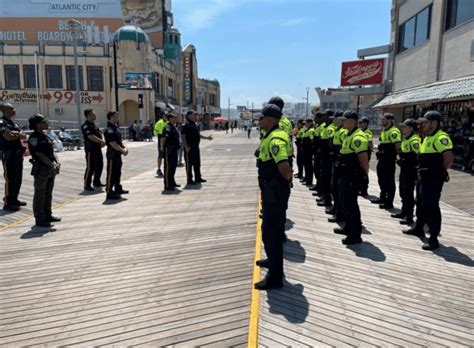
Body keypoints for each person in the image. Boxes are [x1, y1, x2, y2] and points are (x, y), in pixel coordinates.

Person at [403, 111, 454, 250]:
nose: (422, 124)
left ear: (434, 123)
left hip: (433, 179)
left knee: (432, 206)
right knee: (420, 203)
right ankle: (419, 228)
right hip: (423, 178)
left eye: (425, 122)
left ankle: (433, 239)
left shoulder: (441, 137)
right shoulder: (427, 137)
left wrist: (440, 172)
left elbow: (449, 157)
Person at [254, 104, 292, 290]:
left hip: (275, 193)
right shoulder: (270, 135)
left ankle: (275, 277)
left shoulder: (276, 138)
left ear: (271, 119)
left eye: (262, 118)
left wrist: (283, 184)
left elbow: (284, 166)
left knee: (272, 232)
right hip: (271, 191)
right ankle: (272, 261)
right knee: (270, 231)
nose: (259, 120)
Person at [334, 110, 369, 245]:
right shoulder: (349, 135)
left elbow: (363, 160)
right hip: (345, 175)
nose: (342, 122)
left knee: (351, 205)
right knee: (344, 202)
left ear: (352, 122)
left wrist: (364, 175)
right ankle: (348, 228)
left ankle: (355, 234)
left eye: (345, 120)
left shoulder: (358, 138)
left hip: (352, 177)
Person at [27, 114, 61, 227]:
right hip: (41, 168)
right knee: (40, 193)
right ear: (38, 124)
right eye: (44, 121)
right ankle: (39, 218)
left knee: (48, 193)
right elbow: (39, 154)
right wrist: (51, 165)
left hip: (50, 168)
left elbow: (52, 152)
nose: (47, 123)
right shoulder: (34, 137)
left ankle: (48, 214)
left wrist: (56, 162)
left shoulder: (45, 136)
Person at [391, 118, 420, 225]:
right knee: (402, 191)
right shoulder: (406, 139)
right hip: (404, 170)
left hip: (410, 171)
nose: (402, 128)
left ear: (411, 128)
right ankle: (404, 212)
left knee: (408, 193)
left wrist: (405, 160)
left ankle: (409, 216)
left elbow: (416, 156)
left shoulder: (414, 140)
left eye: (405, 126)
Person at [0, 103, 27, 211]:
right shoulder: (1, 123)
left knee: (17, 178)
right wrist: (17, 134)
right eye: (12, 109)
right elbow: (8, 137)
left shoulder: (13, 123)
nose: (14, 110)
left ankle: (14, 198)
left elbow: (23, 134)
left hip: (17, 153)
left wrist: (15, 133)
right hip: (8, 154)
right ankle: (8, 202)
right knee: (10, 178)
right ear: (5, 110)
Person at [371, 113, 401, 209]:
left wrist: (394, 156)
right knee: (381, 179)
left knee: (389, 181)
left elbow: (397, 147)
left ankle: (389, 201)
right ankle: (383, 197)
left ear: (390, 120)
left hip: (389, 160)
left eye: (384, 119)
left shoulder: (394, 131)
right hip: (382, 159)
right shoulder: (384, 131)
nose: (382, 121)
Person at [182, 110, 213, 185]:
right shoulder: (186, 124)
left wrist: (207, 138)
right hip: (189, 147)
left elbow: (198, 135)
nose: (195, 116)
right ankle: (189, 179)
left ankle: (198, 178)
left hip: (196, 147)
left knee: (197, 163)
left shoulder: (195, 124)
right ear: (189, 116)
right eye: (193, 115)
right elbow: (183, 136)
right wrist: (186, 146)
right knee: (189, 164)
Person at [327, 111, 347, 223]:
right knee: (334, 187)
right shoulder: (337, 130)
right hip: (335, 162)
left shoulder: (343, 132)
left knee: (337, 188)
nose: (332, 121)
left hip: (340, 164)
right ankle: (336, 209)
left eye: (334, 119)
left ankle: (340, 213)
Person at [104, 111, 129, 200]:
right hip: (112, 155)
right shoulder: (109, 129)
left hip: (117, 154)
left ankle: (118, 188)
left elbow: (120, 141)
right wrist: (123, 150)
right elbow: (113, 143)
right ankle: (109, 192)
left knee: (117, 172)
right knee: (111, 173)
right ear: (111, 117)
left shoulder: (115, 128)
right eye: (116, 116)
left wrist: (125, 148)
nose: (118, 118)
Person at [81, 109, 105, 191]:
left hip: (97, 148)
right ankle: (87, 184)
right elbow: (90, 136)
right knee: (90, 167)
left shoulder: (94, 125)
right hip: (90, 149)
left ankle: (96, 181)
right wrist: (101, 141)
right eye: (92, 114)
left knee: (100, 165)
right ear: (88, 116)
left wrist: (102, 140)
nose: (94, 116)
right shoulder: (85, 125)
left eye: (94, 114)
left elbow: (100, 133)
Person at [318, 109, 336, 207]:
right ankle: (325, 197)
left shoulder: (331, 128)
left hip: (328, 158)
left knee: (327, 179)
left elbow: (330, 143)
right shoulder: (325, 127)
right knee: (323, 177)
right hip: (323, 157)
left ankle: (327, 199)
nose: (323, 117)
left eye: (325, 116)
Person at [161, 114, 181, 192]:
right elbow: (163, 138)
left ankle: (172, 182)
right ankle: (167, 185)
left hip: (174, 150)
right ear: (170, 119)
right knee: (168, 167)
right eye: (174, 117)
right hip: (169, 150)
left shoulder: (173, 126)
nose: (176, 118)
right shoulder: (168, 127)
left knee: (173, 166)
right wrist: (162, 147)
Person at [358, 117, 373, 196]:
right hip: (361, 153)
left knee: (364, 171)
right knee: (360, 171)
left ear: (366, 124)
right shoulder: (361, 131)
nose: (360, 124)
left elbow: (369, 143)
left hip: (366, 153)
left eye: (361, 122)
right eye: (359, 122)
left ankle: (364, 190)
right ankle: (360, 188)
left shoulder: (367, 132)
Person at [302, 118, 315, 186]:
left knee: (309, 167)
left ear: (310, 123)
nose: (305, 124)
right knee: (306, 166)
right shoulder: (307, 130)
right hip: (305, 151)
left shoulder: (311, 130)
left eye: (306, 123)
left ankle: (309, 181)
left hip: (309, 152)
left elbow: (312, 141)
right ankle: (307, 179)